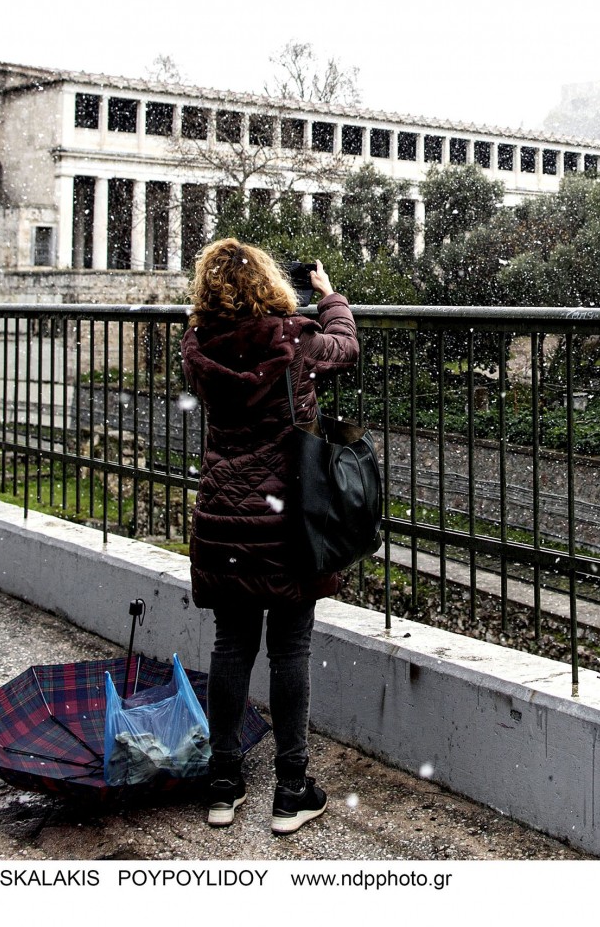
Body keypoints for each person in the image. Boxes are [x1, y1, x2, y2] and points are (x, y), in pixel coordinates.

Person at [181, 238, 358, 835]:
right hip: (285, 523)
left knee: (231, 647)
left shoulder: (198, 347)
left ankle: (224, 782)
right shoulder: (295, 340)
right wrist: (329, 295)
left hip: (226, 519)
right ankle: (290, 788)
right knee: (291, 650)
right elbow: (346, 347)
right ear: (269, 285)